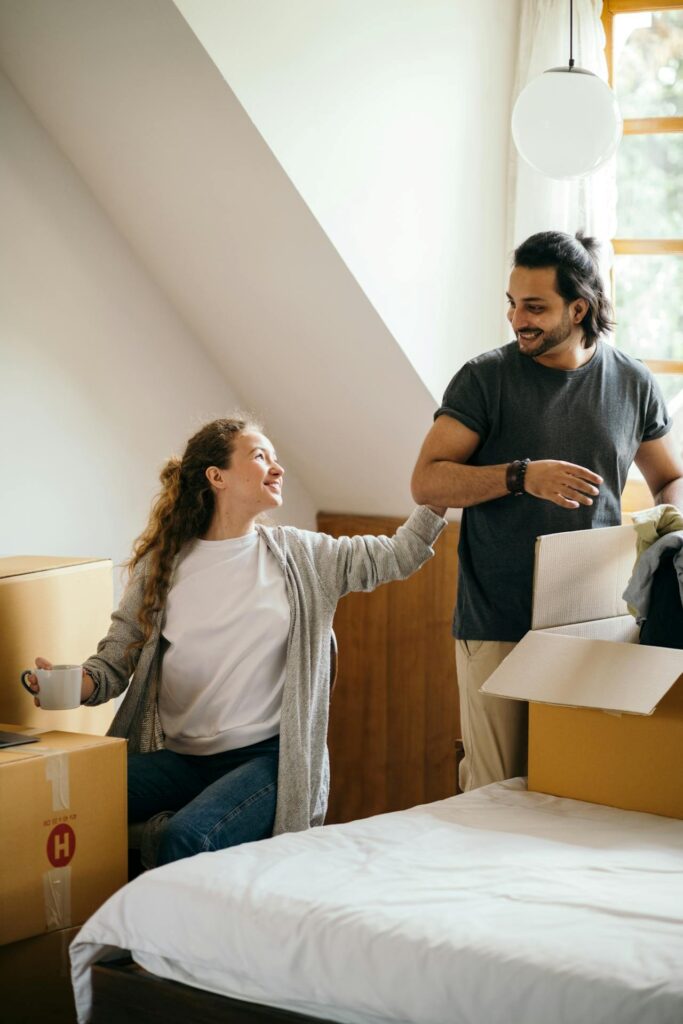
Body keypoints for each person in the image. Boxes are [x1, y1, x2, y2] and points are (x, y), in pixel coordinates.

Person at [26, 417, 446, 866]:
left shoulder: (305, 557)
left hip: (267, 761)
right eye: (260, 455)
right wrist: (71, 684)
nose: (277, 467)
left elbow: (399, 555)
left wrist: (441, 487)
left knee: (185, 838)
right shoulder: (163, 565)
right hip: (182, 759)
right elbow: (114, 661)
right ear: (216, 477)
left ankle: (164, 937)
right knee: (60, 800)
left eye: (275, 457)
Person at [411, 230, 683, 793]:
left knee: (573, 789)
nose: (518, 320)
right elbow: (427, 480)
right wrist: (521, 475)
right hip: (497, 624)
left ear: (578, 307)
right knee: (494, 792)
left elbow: (670, 478)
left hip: (592, 625)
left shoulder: (631, 381)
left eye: (535, 307)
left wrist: (669, 528)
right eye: (512, 305)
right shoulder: (486, 378)